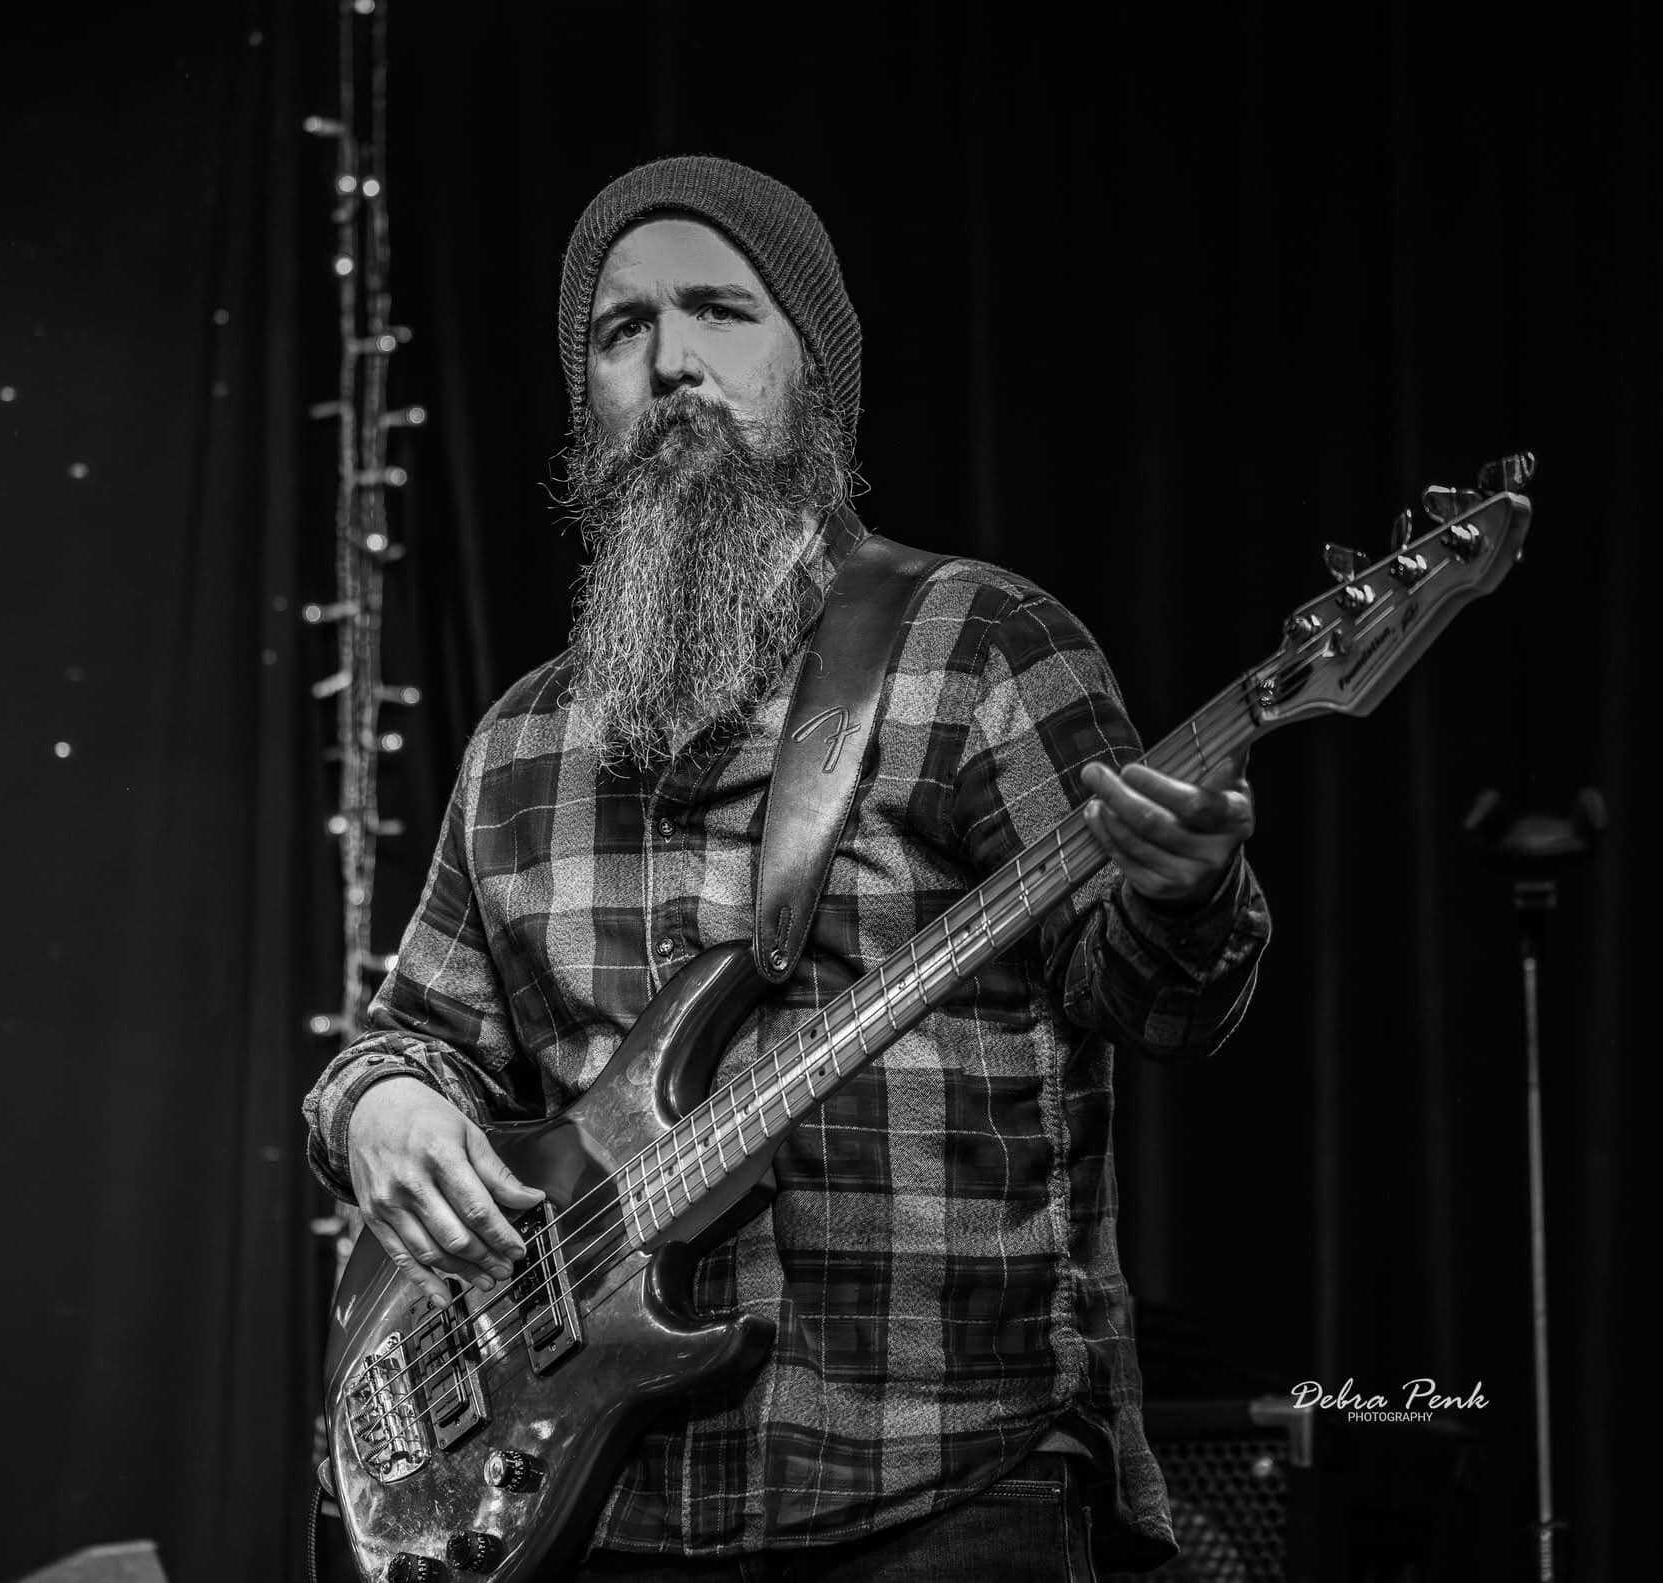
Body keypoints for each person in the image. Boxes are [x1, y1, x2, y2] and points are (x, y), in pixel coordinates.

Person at [303, 154, 1270, 1580]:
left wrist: (1183, 892)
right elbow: (413, 1037)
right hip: (604, 1515)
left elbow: (1160, 1004)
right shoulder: (520, 740)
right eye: (623, 330)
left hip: (940, 1478)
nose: (671, 364)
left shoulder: (982, 646)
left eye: (719, 311)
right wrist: (380, 1109)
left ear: (814, 369)